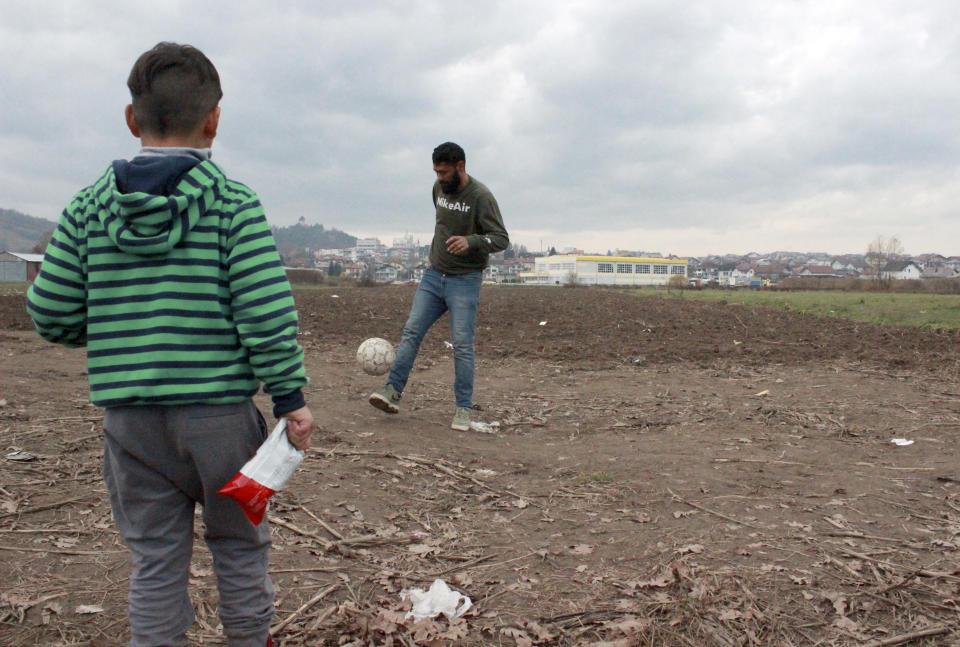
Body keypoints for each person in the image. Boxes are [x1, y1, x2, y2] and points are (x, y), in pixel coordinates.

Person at [25, 42, 313, 647]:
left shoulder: (85, 210)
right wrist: (290, 398)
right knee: (239, 546)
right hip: (221, 422)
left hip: (130, 425)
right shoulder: (233, 206)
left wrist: (106, 323)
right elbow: (264, 312)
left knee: (155, 560)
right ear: (214, 119)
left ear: (131, 119)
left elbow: (50, 312)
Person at [369, 142, 508, 431]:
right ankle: (391, 391)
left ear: (460, 167)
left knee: (461, 345)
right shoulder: (437, 190)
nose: (439, 178)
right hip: (434, 277)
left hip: (465, 281)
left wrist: (471, 241)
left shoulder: (481, 197)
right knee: (411, 332)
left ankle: (463, 409)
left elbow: (500, 238)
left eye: (444, 172)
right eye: (436, 172)